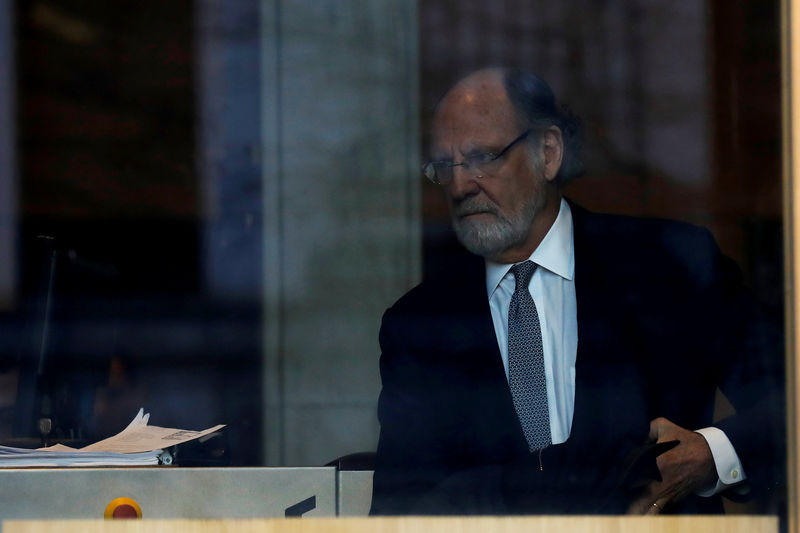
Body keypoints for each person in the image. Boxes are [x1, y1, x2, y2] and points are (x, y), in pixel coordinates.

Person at [369, 67, 783, 515]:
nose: (459, 185)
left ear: (547, 153)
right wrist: (583, 481)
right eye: (444, 166)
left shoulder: (669, 266)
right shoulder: (420, 327)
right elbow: (404, 508)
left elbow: (786, 399)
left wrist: (711, 455)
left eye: (482, 157)